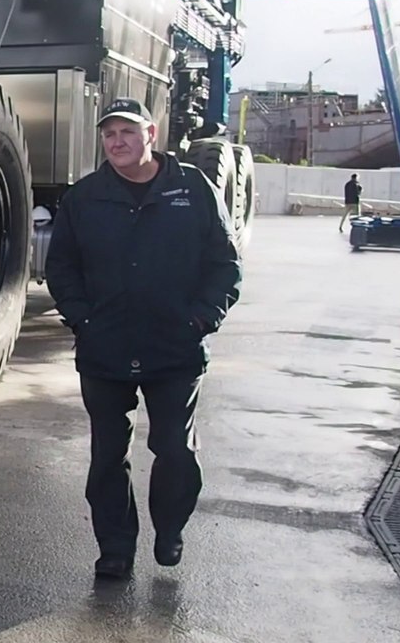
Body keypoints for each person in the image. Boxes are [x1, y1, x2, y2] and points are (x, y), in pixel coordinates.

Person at [44, 97, 242, 579]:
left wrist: (201, 319)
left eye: (128, 132)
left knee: (175, 450)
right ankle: (115, 548)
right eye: (109, 134)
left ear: (150, 134)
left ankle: (170, 529)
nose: (117, 142)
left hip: (174, 347)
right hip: (105, 347)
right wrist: (82, 320)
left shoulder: (192, 188)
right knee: (108, 456)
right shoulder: (84, 197)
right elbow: (62, 267)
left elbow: (224, 264)